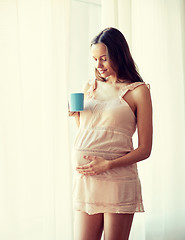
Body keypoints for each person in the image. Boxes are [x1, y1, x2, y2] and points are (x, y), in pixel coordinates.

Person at [69, 27, 153, 240]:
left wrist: (107, 165)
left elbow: (145, 149)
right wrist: (76, 116)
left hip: (118, 179)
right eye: (95, 59)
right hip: (88, 178)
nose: (98, 65)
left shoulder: (138, 91)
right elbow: (89, 133)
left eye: (104, 59)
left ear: (119, 54)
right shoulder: (90, 86)